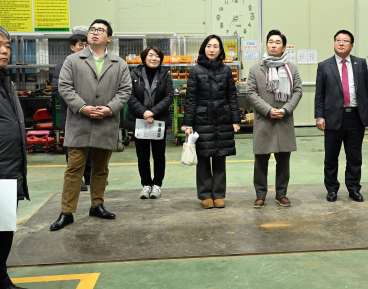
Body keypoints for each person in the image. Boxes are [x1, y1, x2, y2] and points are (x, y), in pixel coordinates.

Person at [50, 19, 132, 231]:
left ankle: (97, 205)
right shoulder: (72, 60)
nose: (95, 33)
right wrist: (83, 107)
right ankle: (67, 212)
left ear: (109, 38)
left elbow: (125, 90)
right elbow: (64, 87)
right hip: (79, 122)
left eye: (100, 30)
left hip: (106, 123)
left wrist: (109, 108)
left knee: (100, 168)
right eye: (92, 30)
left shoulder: (119, 63)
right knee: (74, 168)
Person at [0, 23, 30, 289]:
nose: (5, 51)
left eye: (8, 46)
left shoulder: (2, 79)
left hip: (8, 169)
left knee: (3, 230)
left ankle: (0, 281)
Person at [315, 30, 368, 203]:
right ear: (334, 43)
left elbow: (367, 89)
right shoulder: (324, 65)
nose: (341, 43)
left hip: (356, 116)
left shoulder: (360, 63)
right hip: (333, 117)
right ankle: (331, 189)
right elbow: (319, 94)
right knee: (331, 157)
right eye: (338, 40)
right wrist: (319, 116)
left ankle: (354, 188)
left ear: (352, 45)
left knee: (354, 157)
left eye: (345, 40)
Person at [247, 30, 302, 208]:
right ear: (266, 45)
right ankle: (260, 195)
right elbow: (251, 93)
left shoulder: (292, 68)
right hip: (264, 121)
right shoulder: (256, 69)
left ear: (283, 47)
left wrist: (286, 109)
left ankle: (281, 193)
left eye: (277, 42)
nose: (273, 45)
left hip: (284, 121)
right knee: (260, 162)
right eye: (271, 42)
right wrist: (268, 110)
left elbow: (298, 91)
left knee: (284, 162)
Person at [184, 35, 241, 209]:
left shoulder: (226, 70)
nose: (212, 49)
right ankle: (205, 195)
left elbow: (232, 97)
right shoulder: (195, 71)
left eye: (216, 46)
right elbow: (190, 99)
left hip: (222, 119)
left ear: (220, 50)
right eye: (209, 46)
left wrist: (235, 120)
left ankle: (218, 194)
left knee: (220, 157)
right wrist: (188, 124)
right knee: (203, 158)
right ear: (204, 48)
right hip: (202, 119)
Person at [125, 46, 174, 200]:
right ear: (144, 57)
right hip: (140, 120)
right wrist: (144, 113)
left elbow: (169, 96)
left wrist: (153, 112)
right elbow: (130, 95)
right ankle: (146, 184)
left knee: (159, 155)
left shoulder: (165, 75)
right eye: (151, 55)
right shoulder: (134, 74)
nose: (154, 58)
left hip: (158, 120)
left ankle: (157, 185)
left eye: (157, 56)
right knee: (142, 156)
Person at [52, 33, 91, 192]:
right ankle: (77, 179)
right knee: (74, 148)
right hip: (71, 114)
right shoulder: (63, 66)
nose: (84, 48)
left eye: (86, 45)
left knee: (90, 145)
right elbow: (57, 90)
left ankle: (89, 175)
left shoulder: (92, 64)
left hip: (90, 113)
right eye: (81, 45)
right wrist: (78, 104)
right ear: (72, 47)